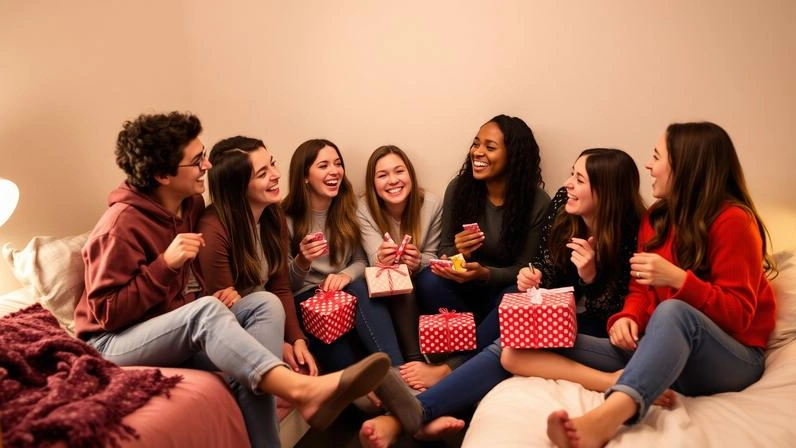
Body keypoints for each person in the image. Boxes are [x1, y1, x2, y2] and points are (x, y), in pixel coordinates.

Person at [72, 112, 390, 447]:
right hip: (112, 343)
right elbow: (106, 313)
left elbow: (244, 285)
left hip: (172, 327)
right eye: (196, 161)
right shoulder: (119, 227)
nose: (207, 166)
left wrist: (291, 337)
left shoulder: (190, 205)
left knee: (264, 306)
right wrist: (165, 265)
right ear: (162, 175)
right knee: (207, 311)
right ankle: (300, 390)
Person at [501, 122, 777, 448]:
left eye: (657, 157)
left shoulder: (734, 221)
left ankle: (606, 418)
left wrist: (678, 279)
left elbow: (739, 315)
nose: (649, 165)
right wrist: (628, 318)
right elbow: (640, 290)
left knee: (674, 310)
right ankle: (623, 380)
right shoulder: (656, 218)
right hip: (665, 349)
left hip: (732, 359)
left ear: (685, 167)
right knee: (522, 345)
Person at [359, 148, 646, 447]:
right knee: (509, 336)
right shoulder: (564, 205)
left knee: (507, 346)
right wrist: (533, 278)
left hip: (599, 329)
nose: (567, 183)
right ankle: (411, 415)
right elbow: (545, 268)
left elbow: (621, 312)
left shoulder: (633, 233)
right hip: (562, 314)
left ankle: (415, 407)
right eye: (571, 173)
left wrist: (591, 277)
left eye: (578, 178)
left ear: (605, 191)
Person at [404, 114, 550, 389]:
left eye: (490, 147)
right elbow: (446, 251)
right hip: (465, 294)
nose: (477, 152)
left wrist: (483, 274)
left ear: (514, 156)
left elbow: (526, 267)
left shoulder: (537, 202)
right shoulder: (459, 188)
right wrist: (460, 257)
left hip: (502, 289)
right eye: (476, 144)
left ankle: (450, 367)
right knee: (428, 280)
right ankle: (484, 342)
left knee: (518, 295)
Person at [196, 136, 321, 445]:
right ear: (239, 187)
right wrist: (277, 343)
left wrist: (296, 340)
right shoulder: (214, 229)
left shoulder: (272, 216)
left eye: (273, 164)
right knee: (263, 301)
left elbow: (280, 286)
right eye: (262, 173)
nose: (276, 175)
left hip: (261, 319)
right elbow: (224, 310)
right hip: (216, 332)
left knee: (271, 303)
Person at [282, 139, 401, 370]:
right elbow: (285, 285)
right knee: (348, 366)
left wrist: (345, 275)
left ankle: (397, 374)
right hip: (308, 300)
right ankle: (371, 392)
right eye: (323, 165)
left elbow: (361, 261)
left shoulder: (350, 207)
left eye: (338, 164)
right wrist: (302, 260)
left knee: (359, 286)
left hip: (347, 293)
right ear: (304, 176)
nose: (334, 171)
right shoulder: (284, 218)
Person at [357, 145, 443, 364]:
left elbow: (432, 254)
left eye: (399, 171)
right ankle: (411, 360)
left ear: (410, 174)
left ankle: (429, 355)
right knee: (397, 278)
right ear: (373, 183)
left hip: (420, 281)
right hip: (385, 287)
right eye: (382, 175)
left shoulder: (432, 205)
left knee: (429, 280)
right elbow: (373, 259)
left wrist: (418, 260)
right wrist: (383, 258)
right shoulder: (363, 208)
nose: (393, 180)